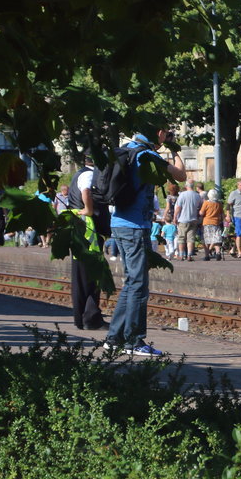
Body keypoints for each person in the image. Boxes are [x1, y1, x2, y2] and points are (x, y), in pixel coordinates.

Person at [104, 128, 185, 356]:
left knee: (131, 282)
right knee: (139, 285)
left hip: (119, 223)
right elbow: (180, 175)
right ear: (158, 132)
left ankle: (114, 338)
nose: (167, 136)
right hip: (135, 226)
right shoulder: (146, 155)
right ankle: (134, 341)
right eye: (166, 132)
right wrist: (173, 147)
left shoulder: (129, 149)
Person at [66, 156, 106, 330]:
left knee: (82, 274)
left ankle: (84, 316)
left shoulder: (78, 173)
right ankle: (89, 317)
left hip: (78, 224)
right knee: (90, 273)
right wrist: (89, 210)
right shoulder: (88, 175)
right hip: (87, 227)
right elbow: (86, 192)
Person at [174, 178, 203, 261]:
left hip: (183, 219)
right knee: (191, 238)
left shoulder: (182, 195)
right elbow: (200, 207)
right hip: (193, 219)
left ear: (186, 186)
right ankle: (189, 255)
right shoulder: (197, 195)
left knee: (181, 238)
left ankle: (181, 255)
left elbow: (178, 207)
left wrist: (175, 217)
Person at [226, 179, 241, 258]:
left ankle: (233, 249)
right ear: (238, 186)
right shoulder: (234, 193)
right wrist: (228, 215)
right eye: (240, 185)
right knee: (239, 234)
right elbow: (228, 204)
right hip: (237, 216)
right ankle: (240, 252)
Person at [199, 189, 225, 261]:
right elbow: (222, 214)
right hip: (216, 223)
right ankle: (218, 253)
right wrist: (224, 221)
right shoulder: (219, 203)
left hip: (206, 222)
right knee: (216, 239)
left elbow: (201, 213)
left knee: (206, 240)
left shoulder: (206, 203)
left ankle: (207, 255)